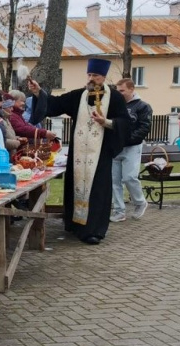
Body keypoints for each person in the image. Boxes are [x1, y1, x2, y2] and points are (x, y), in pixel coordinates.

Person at [29, 58, 130, 245]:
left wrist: (106, 122)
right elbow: (55, 104)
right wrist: (38, 92)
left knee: (97, 191)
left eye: (95, 75)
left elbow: (125, 122)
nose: (91, 78)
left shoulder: (115, 98)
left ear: (103, 77)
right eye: (89, 74)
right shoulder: (79, 96)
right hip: (78, 154)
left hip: (100, 154)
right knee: (76, 186)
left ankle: (94, 230)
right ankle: (76, 225)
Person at [110, 78, 151, 222]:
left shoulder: (142, 106)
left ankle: (140, 202)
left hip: (132, 147)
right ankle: (119, 211)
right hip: (115, 147)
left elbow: (144, 127)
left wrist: (128, 139)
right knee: (114, 181)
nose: (119, 93)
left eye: (122, 90)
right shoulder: (114, 106)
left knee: (129, 177)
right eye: (118, 91)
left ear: (131, 89)